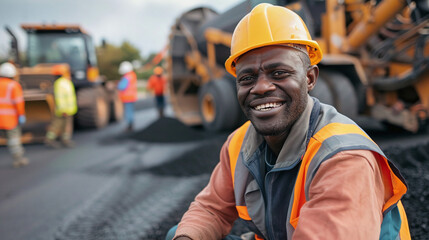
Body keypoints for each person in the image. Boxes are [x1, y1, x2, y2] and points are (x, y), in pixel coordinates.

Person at [168, 3, 410, 240]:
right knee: (179, 234)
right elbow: (212, 209)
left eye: (279, 73)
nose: (261, 87)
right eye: (247, 77)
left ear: (310, 78)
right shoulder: (239, 143)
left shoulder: (343, 158)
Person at [0, 62, 29, 167]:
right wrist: (21, 115)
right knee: (13, 139)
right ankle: (18, 159)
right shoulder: (13, 86)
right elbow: (18, 102)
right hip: (9, 119)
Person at [45, 64, 77, 148]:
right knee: (57, 125)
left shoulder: (65, 82)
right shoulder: (61, 83)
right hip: (63, 110)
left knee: (66, 126)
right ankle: (49, 140)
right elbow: (60, 98)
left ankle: (65, 140)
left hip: (68, 110)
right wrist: (63, 110)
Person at [117, 61, 138, 131]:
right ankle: (131, 124)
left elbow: (121, 87)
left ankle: (130, 125)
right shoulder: (132, 75)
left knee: (128, 111)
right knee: (130, 111)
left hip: (127, 97)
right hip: (132, 96)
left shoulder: (126, 77)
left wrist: (117, 85)